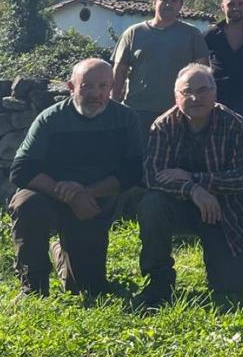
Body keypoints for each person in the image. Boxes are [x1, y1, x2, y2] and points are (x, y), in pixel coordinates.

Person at [8, 59, 144, 297]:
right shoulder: (50, 119)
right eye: (87, 86)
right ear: (71, 87)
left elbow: (133, 172)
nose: (96, 94)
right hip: (49, 194)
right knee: (26, 203)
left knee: (87, 289)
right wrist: (69, 195)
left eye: (103, 86)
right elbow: (21, 170)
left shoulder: (126, 119)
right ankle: (33, 285)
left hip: (94, 199)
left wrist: (85, 194)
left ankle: (60, 253)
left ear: (112, 87)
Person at [137, 64, 243, 306]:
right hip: (177, 206)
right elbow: (152, 176)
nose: (195, 98)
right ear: (176, 96)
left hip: (219, 209)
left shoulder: (235, 124)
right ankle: (158, 279)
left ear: (215, 93)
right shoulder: (163, 125)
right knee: (151, 203)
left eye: (202, 91)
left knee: (230, 285)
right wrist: (193, 191)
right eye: (187, 92)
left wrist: (196, 180)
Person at [112, 0, 209, 130]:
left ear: (180, 5)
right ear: (154, 2)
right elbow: (119, 72)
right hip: (138, 111)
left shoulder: (192, 34)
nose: (169, 4)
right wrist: (113, 105)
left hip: (179, 111)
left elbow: (204, 74)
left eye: (174, 0)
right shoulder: (133, 33)